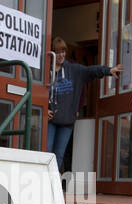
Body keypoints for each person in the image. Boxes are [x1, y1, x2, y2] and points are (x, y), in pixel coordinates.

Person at [46, 37, 119, 172]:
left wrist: (108, 70)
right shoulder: (45, 70)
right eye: (57, 52)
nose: (61, 55)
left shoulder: (74, 70)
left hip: (66, 122)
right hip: (49, 121)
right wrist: (43, 109)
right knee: (46, 154)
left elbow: (91, 71)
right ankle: (42, 184)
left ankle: (52, 185)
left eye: (63, 51)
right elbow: (37, 90)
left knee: (59, 156)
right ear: (51, 53)